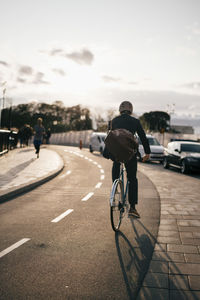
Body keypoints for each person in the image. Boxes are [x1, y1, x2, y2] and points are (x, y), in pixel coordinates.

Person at [109, 101, 150, 218]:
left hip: (117, 153)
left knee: (116, 163)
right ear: (131, 110)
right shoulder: (135, 121)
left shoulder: (114, 121)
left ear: (120, 110)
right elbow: (143, 137)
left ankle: (115, 186)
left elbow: (109, 136)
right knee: (132, 179)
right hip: (130, 154)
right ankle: (132, 208)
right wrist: (147, 153)